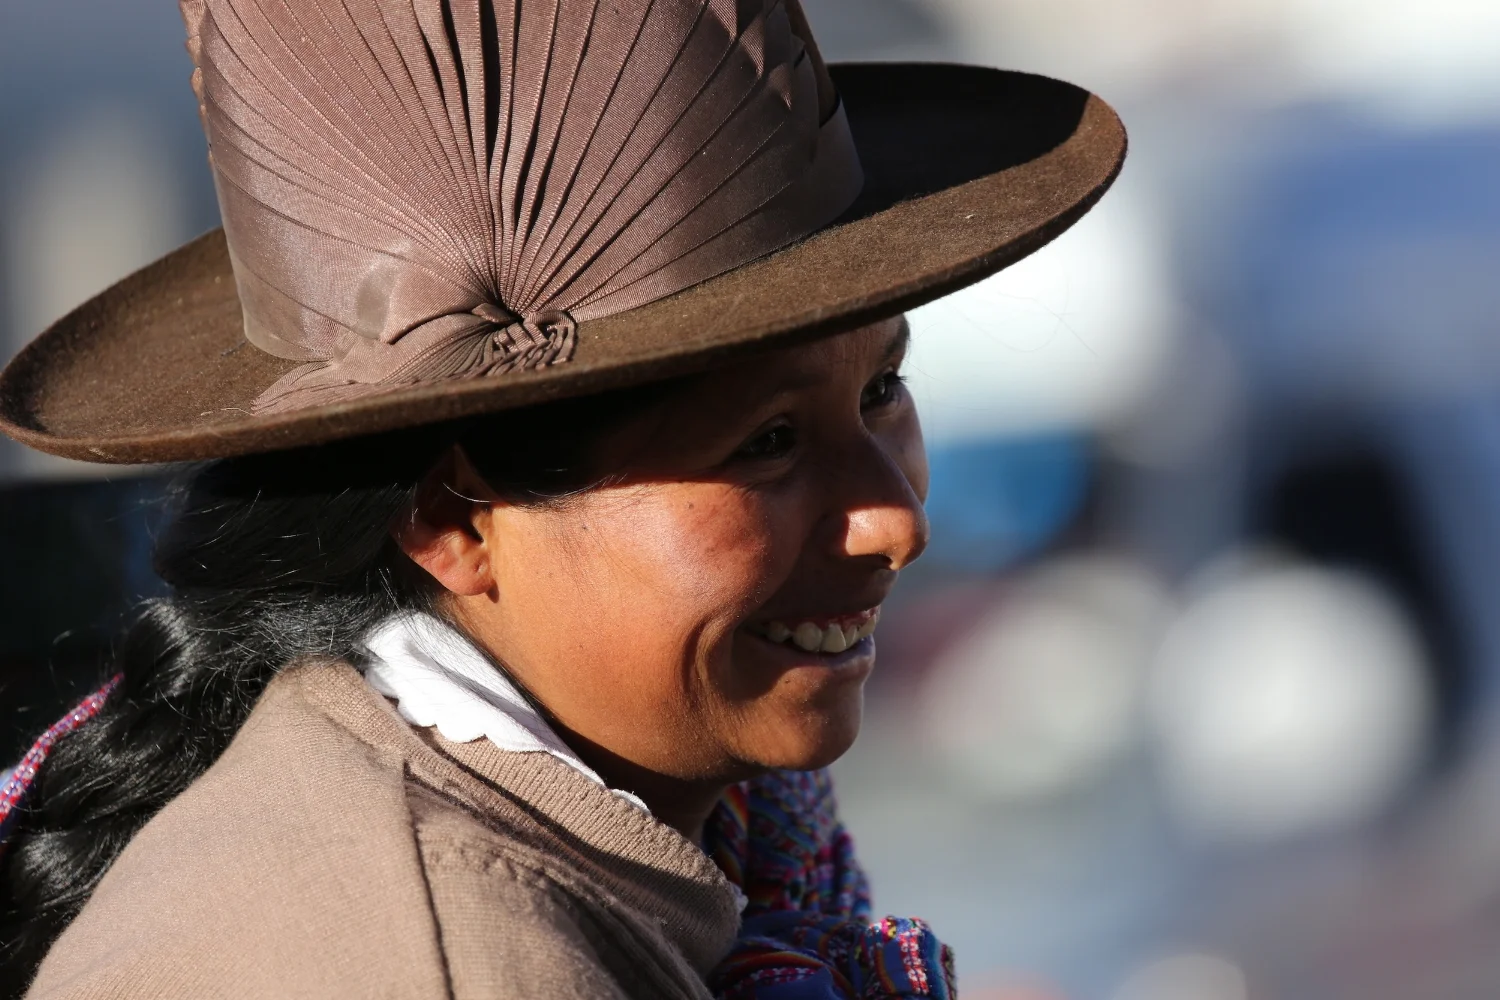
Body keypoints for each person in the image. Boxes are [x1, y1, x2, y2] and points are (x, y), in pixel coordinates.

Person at [0, 0, 1125, 996]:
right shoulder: (433, 958)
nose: (897, 520)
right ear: (455, 520)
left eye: (883, 388)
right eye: (768, 442)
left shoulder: (687, 836)